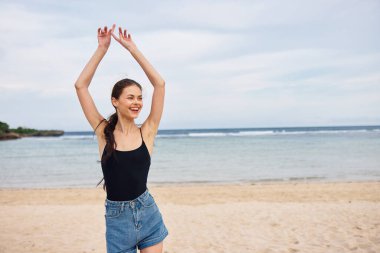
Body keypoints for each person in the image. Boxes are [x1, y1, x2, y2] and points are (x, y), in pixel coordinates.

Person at [74, 24, 168, 253]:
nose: (137, 102)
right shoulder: (103, 131)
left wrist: (132, 49)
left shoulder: (147, 131)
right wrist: (102, 49)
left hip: (148, 213)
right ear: (115, 101)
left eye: (139, 98)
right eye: (130, 97)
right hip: (118, 221)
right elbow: (80, 86)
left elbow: (160, 84)